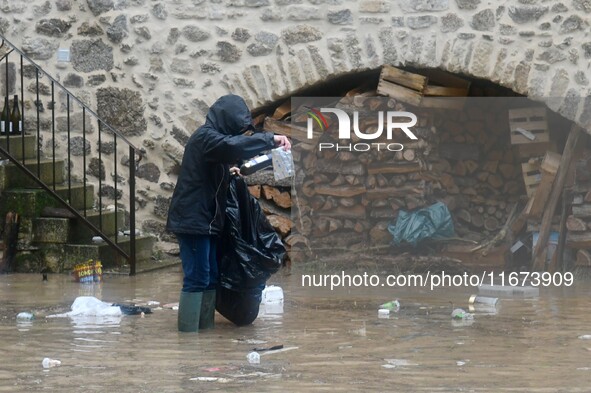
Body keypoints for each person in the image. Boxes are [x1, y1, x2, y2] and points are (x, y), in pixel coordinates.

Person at [166, 94, 290, 332]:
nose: (237, 134)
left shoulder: (214, 145)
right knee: (197, 279)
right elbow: (232, 146)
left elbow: (220, 160)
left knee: (210, 277)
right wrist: (270, 139)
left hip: (208, 222)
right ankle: (188, 338)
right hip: (193, 222)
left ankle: (205, 333)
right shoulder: (205, 138)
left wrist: (231, 172)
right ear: (226, 121)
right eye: (236, 128)